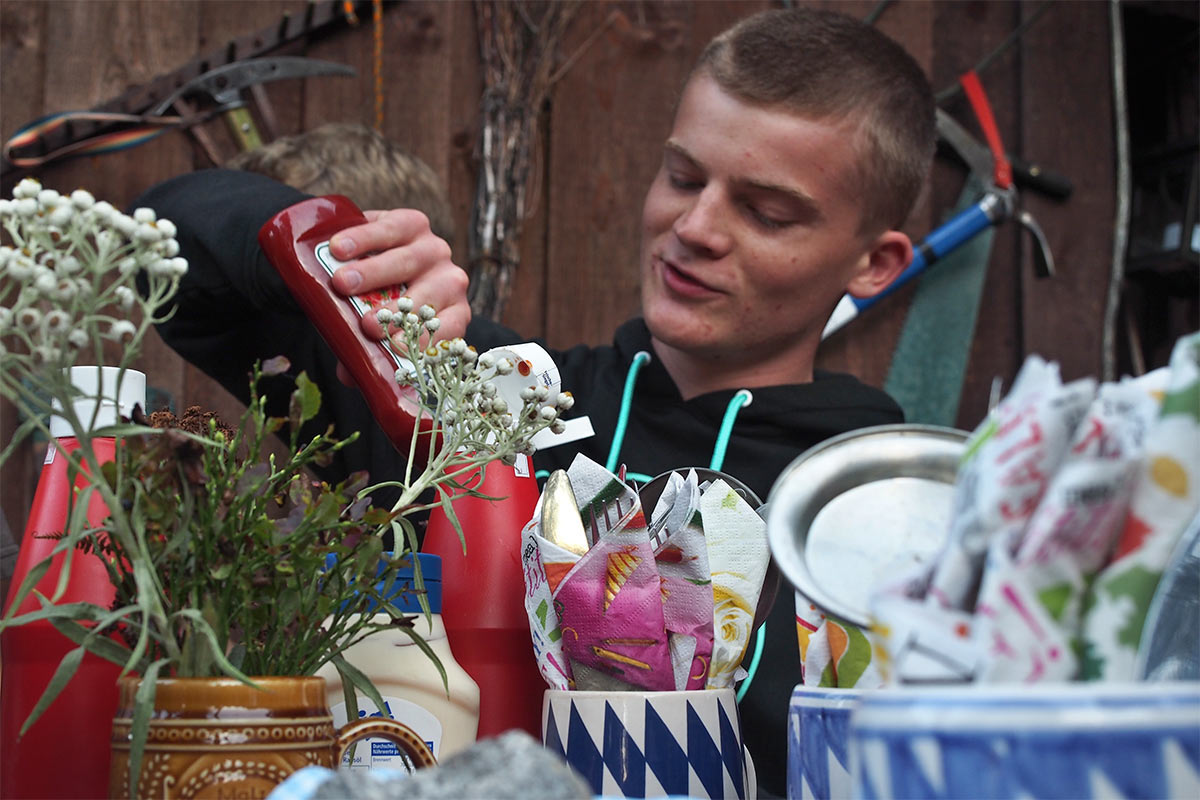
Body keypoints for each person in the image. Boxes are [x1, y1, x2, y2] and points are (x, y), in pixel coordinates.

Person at [133, 8, 935, 796]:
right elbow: (165, 257)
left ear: (874, 264)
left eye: (766, 212)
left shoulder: (896, 520)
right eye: (683, 177)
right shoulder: (492, 398)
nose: (694, 227)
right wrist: (330, 262)